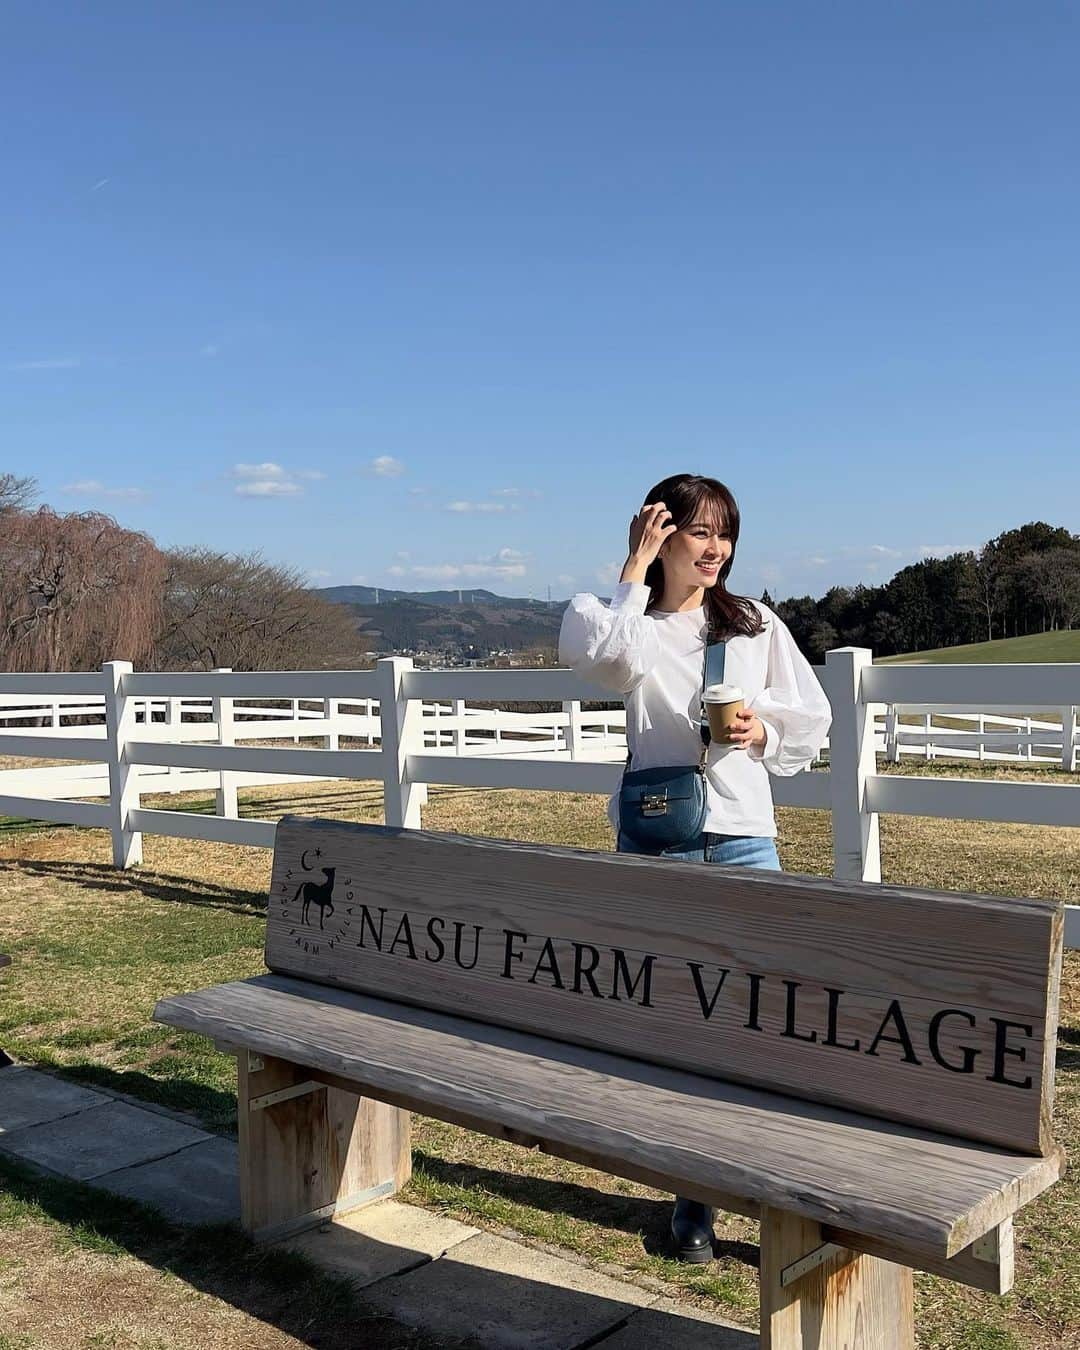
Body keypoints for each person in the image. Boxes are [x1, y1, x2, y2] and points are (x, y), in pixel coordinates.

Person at [557, 471, 832, 1263]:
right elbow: (599, 660)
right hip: (659, 837)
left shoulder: (751, 624)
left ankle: (772, 1189)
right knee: (677, 1024)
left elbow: (807, 713)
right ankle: (694, 1203)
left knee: (757, 1021)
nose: (714, 548)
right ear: (661, 533)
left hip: (743, 833)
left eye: (725, 533)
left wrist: (761, 735)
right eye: (697, 531)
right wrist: (633, 568)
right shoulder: (627, 621)